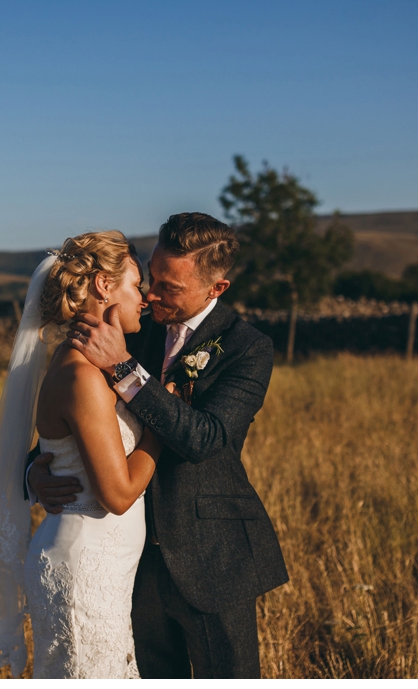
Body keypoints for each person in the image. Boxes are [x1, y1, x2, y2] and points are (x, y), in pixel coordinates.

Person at [27, 212, 289, 679]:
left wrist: (127, 370)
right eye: (151, 277)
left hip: (211, 557)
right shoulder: (129, 326)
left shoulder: (248, 347)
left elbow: (206, 439)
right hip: (131, 565)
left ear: (216, 289)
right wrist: (37, 471)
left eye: (169, 288)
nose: (150, 295)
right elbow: (76, 418)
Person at [0, 231, 165, 679]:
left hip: (104, 569)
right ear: (104, 286)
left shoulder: (93, 363)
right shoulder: (82, 376)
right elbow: (118, 495)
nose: (144, 298)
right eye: (136, 285)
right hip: (84, 568)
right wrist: (161, 430)